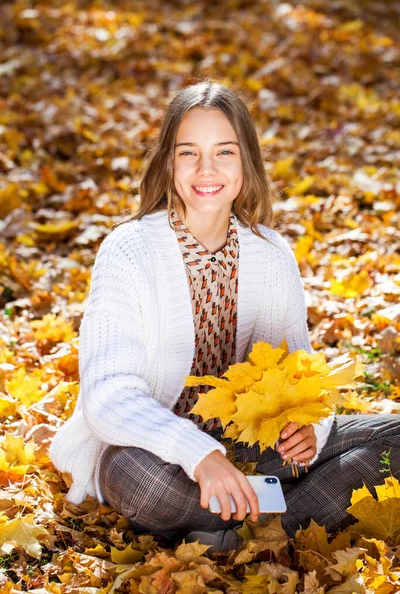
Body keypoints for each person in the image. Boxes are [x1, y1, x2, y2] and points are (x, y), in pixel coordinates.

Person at [50, 79, 400, 553]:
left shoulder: (271, 255)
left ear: (246, 163)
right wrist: (200, 456)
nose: (206, 168)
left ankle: (230, 530)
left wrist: (307, 431)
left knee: (394, 437)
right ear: (168, 162)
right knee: (135, 479)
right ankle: (289, 518)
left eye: (225, 152)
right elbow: (108, 396)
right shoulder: (128, 251)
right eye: (188, 152)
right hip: (161, 454)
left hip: (254, 451)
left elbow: (299, 377)